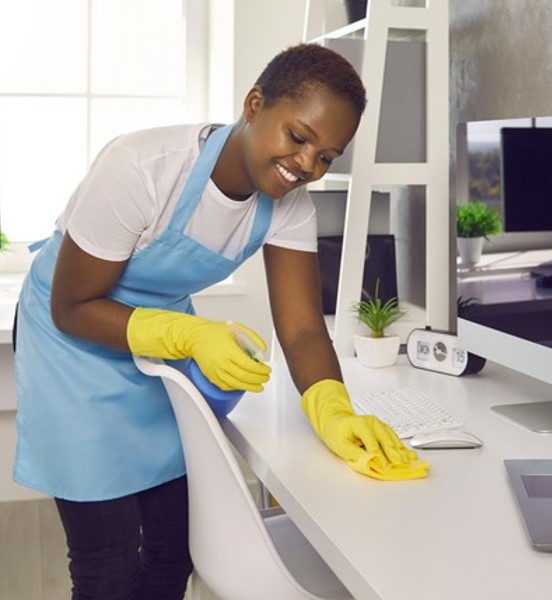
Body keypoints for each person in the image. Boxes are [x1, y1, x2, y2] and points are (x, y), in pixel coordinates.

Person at [13, 43, 429, 600]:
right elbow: (73, 307)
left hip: (158, 346)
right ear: (254, 104)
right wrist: (188, 334)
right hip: (73, 343)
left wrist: (333, 410)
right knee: (107, 566)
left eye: (327, 156)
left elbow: (303, 328)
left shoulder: (290, 205)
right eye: (298, 137)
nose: (307, 165)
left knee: (173, 551)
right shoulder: (142, 169)